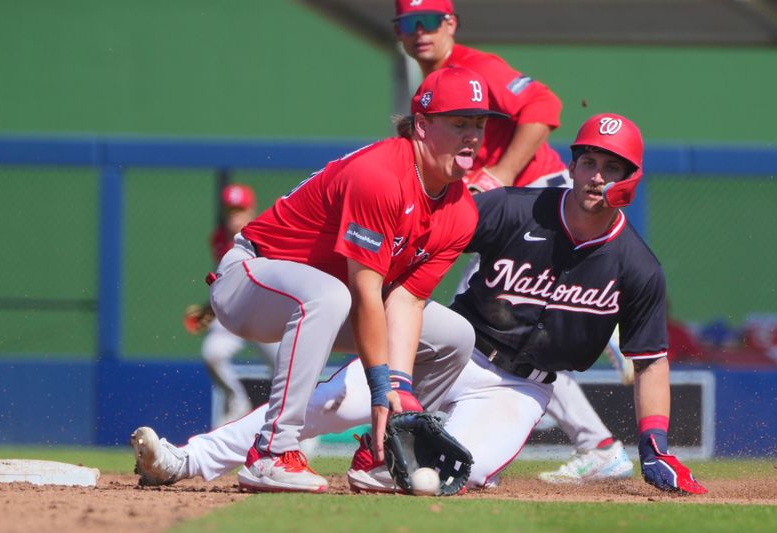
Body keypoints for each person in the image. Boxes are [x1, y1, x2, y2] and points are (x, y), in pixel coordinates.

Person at [130, 113, 707, 496]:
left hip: (523, 389)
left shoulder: (637, 267)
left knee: (450, 473)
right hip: (453, 353)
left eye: (613, 167)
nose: (596, 176)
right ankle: (186, 460)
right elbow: (428, 231)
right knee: (324, 404)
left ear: (632, 178)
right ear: (573, 163)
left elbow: (651, 358)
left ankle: (376, 463)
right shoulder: (515, 210)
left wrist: (654, 442)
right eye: (588, 160)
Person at [132, 66, 510, 493]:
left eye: (479, 125)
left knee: (455, 335)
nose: (473, 136)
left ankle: (382, 455)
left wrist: (398, 392)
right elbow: (367, 290)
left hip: (332, 298)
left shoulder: (461, 212)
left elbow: (405, 303)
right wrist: (380, 384)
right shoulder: (382, 176)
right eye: (459, 123)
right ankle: (272, 452)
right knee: (329, 295)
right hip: (250, 278)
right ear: (421, 125)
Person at [393, 0, 633, 482]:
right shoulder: (430, 84)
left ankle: (591, 431)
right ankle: (593, 440)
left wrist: (499, 175)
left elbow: (545, 107)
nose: (420, 32)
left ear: (451, 24)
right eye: (407, 23)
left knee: (489, 326)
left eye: (430, 21)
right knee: (516, 336)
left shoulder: (476, 67)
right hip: (507, 207)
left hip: (539, 200)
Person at [191, 184, 280, 426]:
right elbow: (229, 280)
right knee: (213, 353)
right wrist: (210, 308)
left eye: (239, 210)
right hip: (235, 313)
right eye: (230, 210)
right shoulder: (219, 238)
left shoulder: (266, 233)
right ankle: (237, 400)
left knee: (286, 370)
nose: (234, 215)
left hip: (266, 312)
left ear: (251, 211)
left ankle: (298, 427)